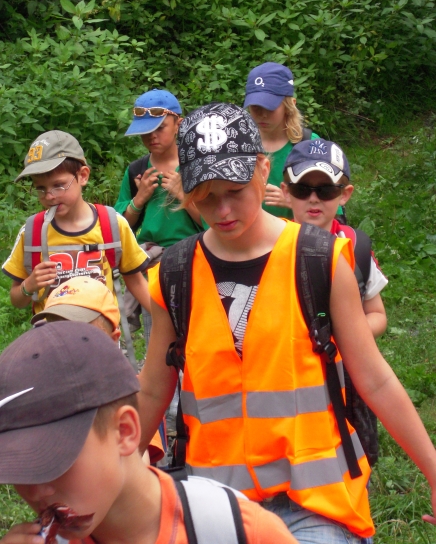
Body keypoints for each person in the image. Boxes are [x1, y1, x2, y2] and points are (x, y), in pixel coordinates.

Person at [137, 102, 436, 543]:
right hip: (217, 506)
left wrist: (432, 470)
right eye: (206, 195)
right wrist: (113, 473)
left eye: (235, 190)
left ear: (263, 170)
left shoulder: (319, 260)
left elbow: (374, 379)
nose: (222, 209)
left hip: (317, 504)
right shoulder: (174, 274)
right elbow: (152, 390)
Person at [0, 321, 299, 544]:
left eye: (53, 461)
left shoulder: (239, 532)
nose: (37, 490)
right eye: (17, 470)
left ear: (124, 432)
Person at [2, 130, 151, 316]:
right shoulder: (32, 232)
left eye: (58, 185)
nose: (49, 196)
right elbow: (16, 299)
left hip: (101, 330)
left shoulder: (112, 224)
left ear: (83, 176)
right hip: (52, 331)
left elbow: (136, 282)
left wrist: (165, 321)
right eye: (41, 188)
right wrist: (29, 285)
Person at [31, 275, 165, 465]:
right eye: (56, 331)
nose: (66, 343)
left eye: (83, 334)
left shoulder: (129, 396)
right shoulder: (37, 395)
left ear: (113, 339)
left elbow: (137, 464)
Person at [115, 89, 203, 344]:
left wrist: (184, 196)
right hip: (150, 264)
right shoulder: (137, 170)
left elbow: (214, 223)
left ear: (178, 124)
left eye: (160, 128)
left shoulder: (196, 165)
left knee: (193, 332)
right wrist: (139, 199)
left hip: (192, 259)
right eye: (145, 132)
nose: (151, 137)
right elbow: (119, 227)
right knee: (158, 335)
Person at [281, 138, 388, 338]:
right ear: (286, 192)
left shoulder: (355, 245)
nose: (313, 198)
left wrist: (343, 335)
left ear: (344, 194)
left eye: (326, 190)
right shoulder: (271, 244)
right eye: (302, 189)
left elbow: (376, 313)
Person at [243, 62, 319, 219]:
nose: (262, 114)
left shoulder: (309, 145)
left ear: (289, 105)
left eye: (270, 107)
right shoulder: (239, 143)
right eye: (255, 107)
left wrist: (294, 202)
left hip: (297, 232)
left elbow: (332, 209)